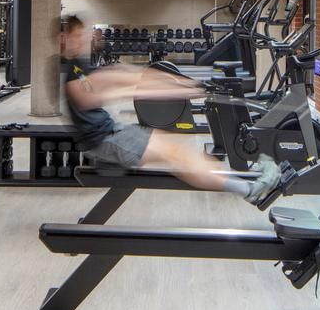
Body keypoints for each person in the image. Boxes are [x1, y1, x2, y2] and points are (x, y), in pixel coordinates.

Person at [61, 14, 281, 204]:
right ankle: (249, 190)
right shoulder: (71, 71)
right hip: (103, 141)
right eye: (76, 36)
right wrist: (151, 90)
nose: (82, 40)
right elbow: (90, 97)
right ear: (63, 38)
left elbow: (117, 75)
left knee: (180, 151)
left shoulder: (81, 65)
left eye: (82, 35)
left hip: (112, 132)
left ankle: (244, 184)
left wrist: (171, 82)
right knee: (177, 155)